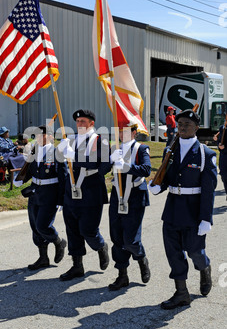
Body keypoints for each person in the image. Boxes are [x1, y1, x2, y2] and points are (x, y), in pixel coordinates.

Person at [149, 109, 217, 310]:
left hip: (194, 210)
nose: (183, 127)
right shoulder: (170, 150)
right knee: (174, 252)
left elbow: (208, 190)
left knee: (195, 251)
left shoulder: (206, 154)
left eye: (187, 124)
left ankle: (204, 266)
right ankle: (181, 293)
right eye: (180, 124)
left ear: (196, 127)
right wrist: (157, 187)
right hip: (172, 209)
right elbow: (167, 177)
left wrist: (206, 218)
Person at [57, 109, 111, 281]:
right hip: (71, 190)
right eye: (78, 121)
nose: (79, 124)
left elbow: (104, 167)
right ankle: (77, 266)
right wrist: (60, 151)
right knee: (72, 229)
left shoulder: (99, 140)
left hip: (90, 190)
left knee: (88, 230)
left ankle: (101, 246)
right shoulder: (70, 140)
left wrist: (78, 158)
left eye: (83, 121)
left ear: (91, 123)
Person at [108, 123, 151, 291]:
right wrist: (111, 160)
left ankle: (141, 258)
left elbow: (146, 170)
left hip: (134, 196)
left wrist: (126, 166)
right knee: (117, 237)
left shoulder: (141, 148)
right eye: (119, 131)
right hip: (117, 195)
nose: (121, 134)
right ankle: (122, 275)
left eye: (125, 131)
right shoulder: (114, 149)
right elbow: (103, 169)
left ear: (134, 133)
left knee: (131, 239)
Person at [23, 125, 67, 270]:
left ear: (50, 137)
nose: (39, 138)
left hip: (50, 193)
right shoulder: (34, 152)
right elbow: (30, 170)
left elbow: (64, 177)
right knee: (35, 227)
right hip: (35, 192)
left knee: (43, 225)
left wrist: (61, 199)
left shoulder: (56, 153)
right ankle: (43, 258)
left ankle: (58, 241)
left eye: (42, 135)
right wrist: (21, 180)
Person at [213, 122, 227, 199]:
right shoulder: (222, 128)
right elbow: (219, 140)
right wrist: (219, 145)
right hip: (224, 156)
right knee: (224, 176)